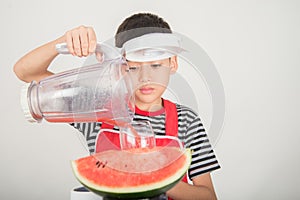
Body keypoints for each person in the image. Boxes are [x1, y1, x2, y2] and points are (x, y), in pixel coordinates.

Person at [14, 13, 220, 200]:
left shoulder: (187, 120)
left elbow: (208, 196)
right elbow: (24, 72)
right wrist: (64, 42)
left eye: (156, 65)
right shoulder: (96, 109)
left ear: (172, 64)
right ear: (119, 69)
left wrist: (157, 178)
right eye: (133, 68)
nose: (145, 77)